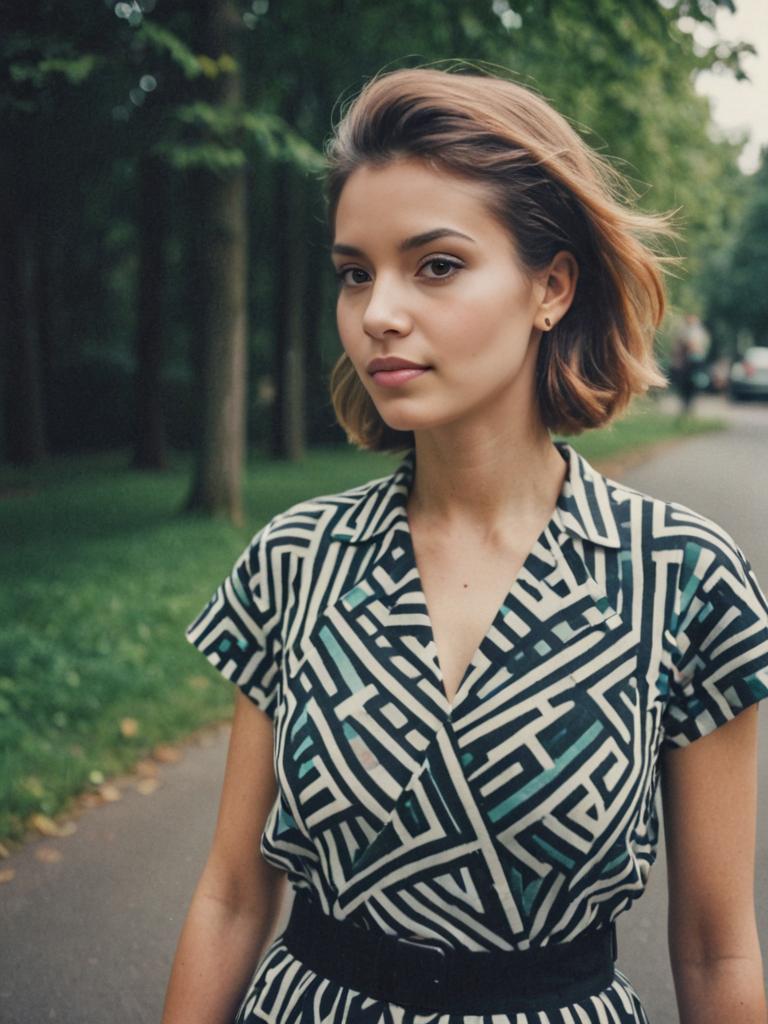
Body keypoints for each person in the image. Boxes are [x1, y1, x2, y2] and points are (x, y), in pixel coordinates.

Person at [161, 67, 768, 1024]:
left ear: (551, 288)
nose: (378, 314)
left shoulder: (684, 578)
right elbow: (234, 893)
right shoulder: (296, 561)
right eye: (355, 272)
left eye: (435, 265)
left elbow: (715, 944)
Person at [669, 313, 710, 415]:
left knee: (691, 385)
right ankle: (686, 407)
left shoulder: (697, 332)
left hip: (693, 362)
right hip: (687, 362)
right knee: (685, 386)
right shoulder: (686, 331)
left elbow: (696, 346)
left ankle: (688, 407)